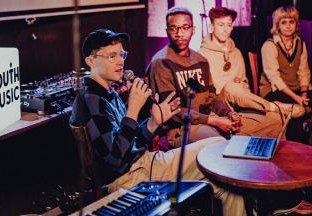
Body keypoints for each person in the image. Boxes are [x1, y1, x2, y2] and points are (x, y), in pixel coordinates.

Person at [70, 28, 247, 216]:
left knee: (228, 188)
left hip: (144, 164)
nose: (121, 61)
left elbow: (128, 142)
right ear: (91, 61)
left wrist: (153, 123)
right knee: (218, 144)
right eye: (112, 56)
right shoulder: (91, 99)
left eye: (121, 54)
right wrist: (132, 111)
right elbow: (114, 159)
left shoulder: (108, 92)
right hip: (131, 176)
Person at [145, 6, 282, 148]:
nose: (180, 33)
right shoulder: (161, 62)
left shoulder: (200, 60)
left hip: (210, 119)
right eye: (174, 28)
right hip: (181, 129)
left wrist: (228, 113)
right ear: (167, 31)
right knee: (220, 144)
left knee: (273, 125)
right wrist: (216, 121)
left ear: (193, 30)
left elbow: (212, 97)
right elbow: (174, 111)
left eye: (185, 27)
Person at [199, 7, 304, 119]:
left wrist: (244, 94)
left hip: (240, 103)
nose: (225, 29)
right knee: (231, 87)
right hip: (220, 106)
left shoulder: (236, 53)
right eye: (221, 25)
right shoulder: (202, 56)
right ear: (211, 27)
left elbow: (245, 83)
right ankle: (275, 107)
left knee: (275, 121)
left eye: (229, 25)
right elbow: (207, 96)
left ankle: (272, 112)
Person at [261, 5, 312, 150]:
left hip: (297, 89)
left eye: (291, 21)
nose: (288, 26)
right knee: (296, 110)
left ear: (296, 23)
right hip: (274, 91)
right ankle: (295, 151)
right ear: (277, 25)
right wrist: (297, 99)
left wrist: (303, 93)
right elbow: (275, 78)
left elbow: (304, 72)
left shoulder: (300, 44)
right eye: (283, 22)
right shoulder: (269, 45)